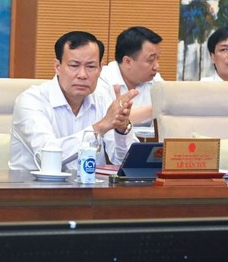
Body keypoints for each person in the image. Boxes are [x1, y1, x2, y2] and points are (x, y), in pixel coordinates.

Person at [10, 31, 138, 172]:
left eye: (90, 66)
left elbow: (125, 162)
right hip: (33, 190)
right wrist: (99, 128)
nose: (82, 75)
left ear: (100, 69)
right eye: (74, 65)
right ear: (57, 67)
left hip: (90, 190)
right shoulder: (31, 101)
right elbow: (47, 156)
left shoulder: (103, 99)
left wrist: (122, 130)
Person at [99, 26, 163, 125]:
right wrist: (158, 109)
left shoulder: (155, 79)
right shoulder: (102, 79)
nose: (156, 66)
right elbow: (108, 119)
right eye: (151, 60)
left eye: (157, 59)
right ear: (128, 61)